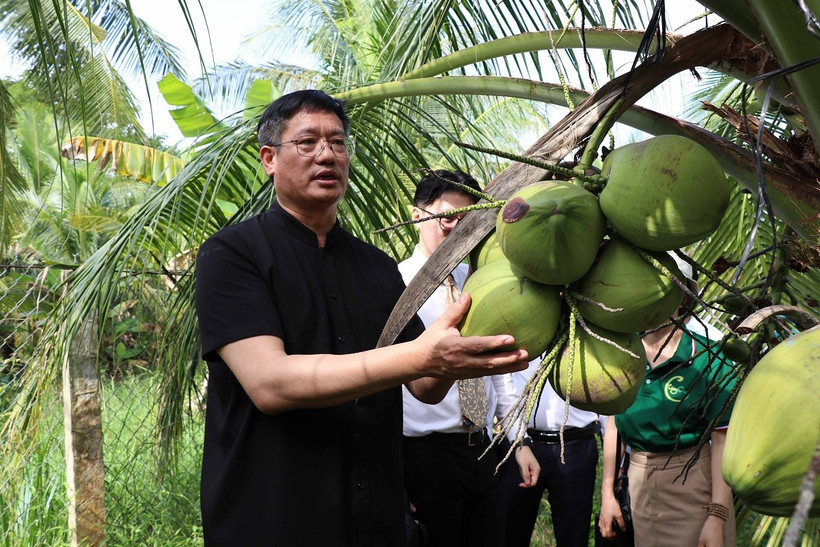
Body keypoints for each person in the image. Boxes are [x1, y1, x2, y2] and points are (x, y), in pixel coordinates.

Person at [194, 90, 529, 546]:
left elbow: (425, 387)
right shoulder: (232, 254)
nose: (327, 154)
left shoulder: (376, 267)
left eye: (337, 142)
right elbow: (270, 384)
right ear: (269, 159)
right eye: (308, 142)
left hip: (375, 520)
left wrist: (473, 341)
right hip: (272, 517)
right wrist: (421, 357)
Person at [398, 169, 540, 547]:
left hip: (483, 451)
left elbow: (496, 371)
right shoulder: (395, 286)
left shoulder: (482, 281)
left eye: (468, 220)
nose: (457, 228)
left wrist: (518, 442)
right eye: (447, 216)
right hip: (423, 459)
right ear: (417, 215)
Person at [597, 255, 738, 547]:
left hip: (693, 483)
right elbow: (614, 423)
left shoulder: (710, 358)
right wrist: (608, 495)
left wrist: (717, 514)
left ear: (684, 299)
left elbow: (723, 440)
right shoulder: (620, 354)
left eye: (664, 288)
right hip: (639, 481)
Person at [498, 358, 601, 547]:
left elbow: (604, 386)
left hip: (575, 445)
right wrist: (518, 438)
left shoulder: (585, 331)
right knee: (511, 529)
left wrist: (615, 460)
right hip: (523, 443)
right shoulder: (521, 332)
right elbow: (503, 382)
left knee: (575, 532)